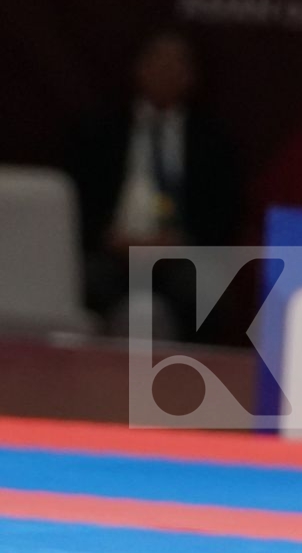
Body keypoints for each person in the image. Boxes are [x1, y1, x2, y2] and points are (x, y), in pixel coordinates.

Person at [65, 27, 243, 338]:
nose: (166, 72)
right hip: (112, 251)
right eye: (158, 62)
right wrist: (110, 238)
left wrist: (179, 242)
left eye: (176, 65)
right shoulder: (99, 130)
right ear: (139, 68)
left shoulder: (213, 140)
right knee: (87, 282)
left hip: (182, 255)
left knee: (200, 291)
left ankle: (194, 379)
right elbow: (76, 201)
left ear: (192, 76)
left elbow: (225, 211)